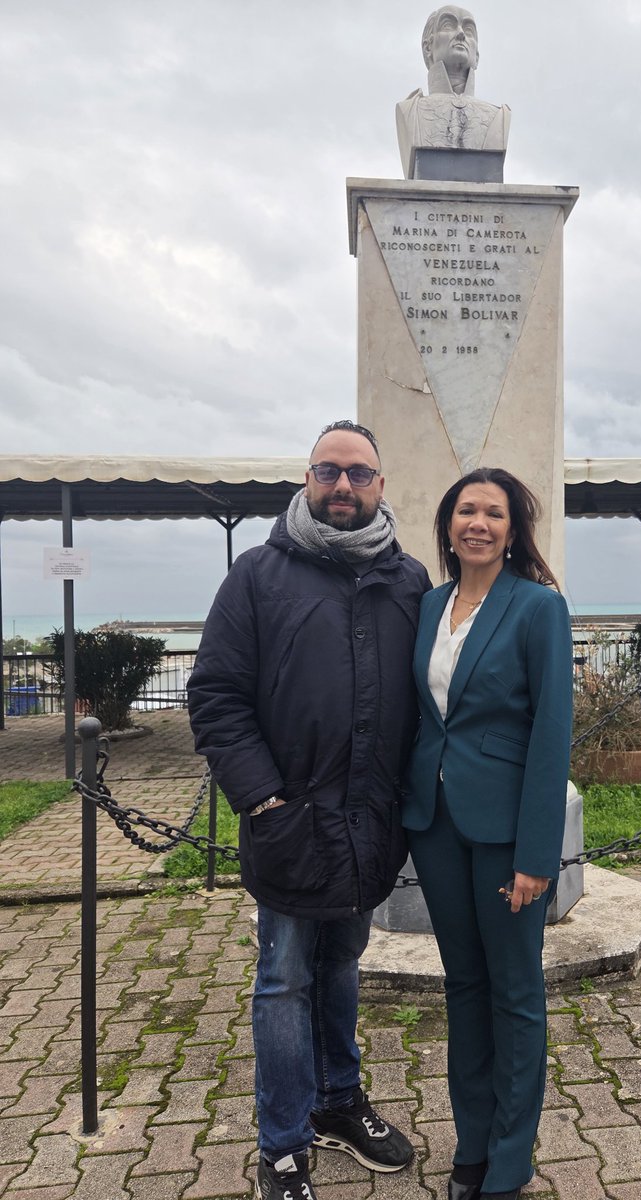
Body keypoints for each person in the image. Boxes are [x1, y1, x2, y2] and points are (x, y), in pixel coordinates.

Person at [187, 420, 430, 1200]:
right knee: (284, 980)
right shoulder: (258, 576)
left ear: (381, 484)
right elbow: (216, 697)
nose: (343, 485)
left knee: (342, 966)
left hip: (369, 826)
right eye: (328, 471)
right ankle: (283, 1145)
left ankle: (337, 1102)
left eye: (358, 473)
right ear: (307, 479)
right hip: (288, 823)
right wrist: (264, 800)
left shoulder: (410, 581)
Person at [402, 468, 573, 1200]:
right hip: (436, 824)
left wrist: (538, 854)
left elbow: (551, 733)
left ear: (512, 530)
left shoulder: (538, 607)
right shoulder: (428, 605)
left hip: (506, 834)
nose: (478, 523)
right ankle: (470, 1145)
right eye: (466, 510)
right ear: (448, 525)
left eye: (493, 513)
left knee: (515, 992)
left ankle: (508, 1161)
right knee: (464, 987)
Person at [396, 5, 511, 179]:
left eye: (468, 30)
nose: (461, 34)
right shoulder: (410, 110)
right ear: (428, 47)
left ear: (477, 56)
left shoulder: (499, 116)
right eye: (448, 25)